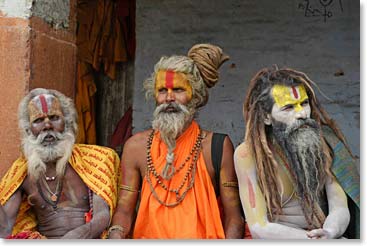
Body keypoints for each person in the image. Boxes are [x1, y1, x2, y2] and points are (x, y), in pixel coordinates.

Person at [108, 44, 245, 239]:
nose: (169, 98)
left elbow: (234, 217)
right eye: (162, 90)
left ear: (195, 96)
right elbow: (124, 209)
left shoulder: (217, 146)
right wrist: (116, 235)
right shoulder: (135, 147)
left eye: (178, 90)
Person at [234, 66, 360, 239]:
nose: (301, 113)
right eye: (288, 108)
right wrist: (310, 240)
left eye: (304, 103)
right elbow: (259, 226)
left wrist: (329, 232)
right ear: (266, 117)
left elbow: (339, 207)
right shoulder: (247, 154)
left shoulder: (324, 143)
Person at [0, 88, 121, 239]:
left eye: (54, 118)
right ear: (28, 130)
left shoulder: (96, 159)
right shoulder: (22, 172)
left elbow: (102, 215)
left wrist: (76, 236)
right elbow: (5, 228)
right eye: (38, 121)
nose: (47, 126)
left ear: (67, 122)